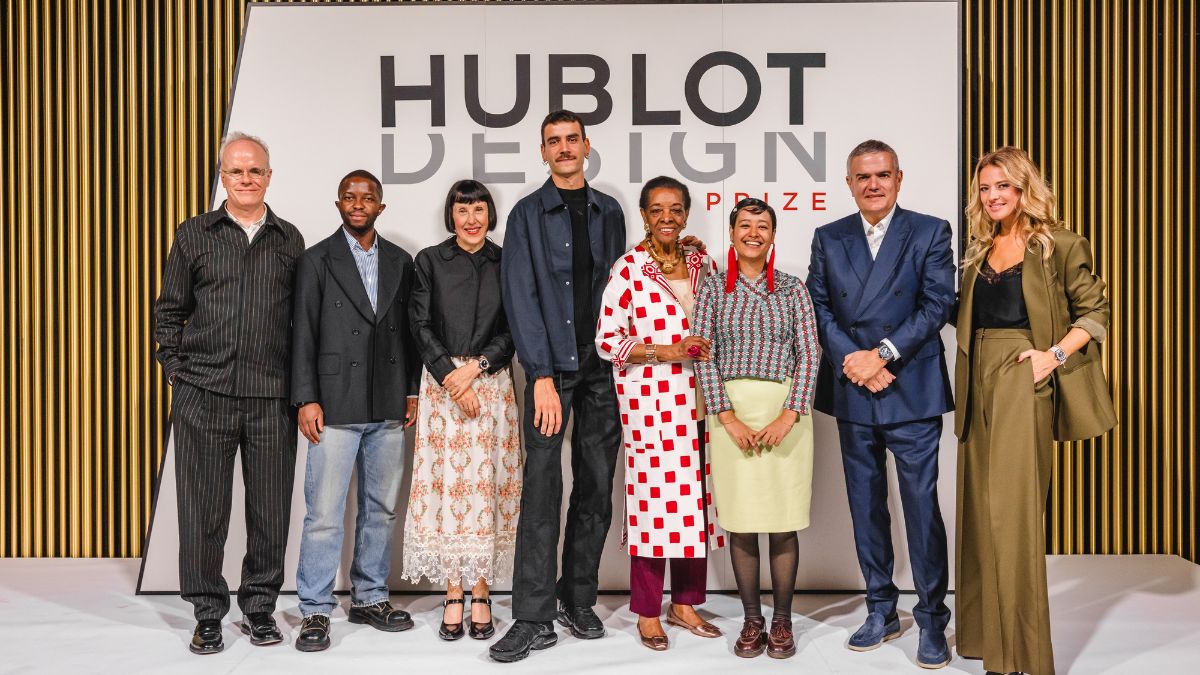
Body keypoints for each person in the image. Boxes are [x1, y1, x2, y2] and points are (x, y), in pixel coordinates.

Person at [955, 147, 1115, 675]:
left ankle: (1022, 652)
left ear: (1025, 189)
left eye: (1003, 185)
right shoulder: (978, 249)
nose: (992, 196)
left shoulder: (1060, 244)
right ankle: (983, 641)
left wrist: (1053, 356)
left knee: (1014, 511)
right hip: (976, 377)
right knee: (979, 510)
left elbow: (1096, 312)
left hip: (1022, 372)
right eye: (984, 188)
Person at [152, 132, 304, 654]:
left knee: (270, 511)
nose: (246, 179)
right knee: (203, 512)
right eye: (236, 171)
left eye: (255, 170)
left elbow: (300, 323)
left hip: (271, 398)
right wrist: (178, 373)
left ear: (269, 176)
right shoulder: (194, 234)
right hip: (204, 395)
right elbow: (169, 311)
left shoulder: (289, 239)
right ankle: (208, 612)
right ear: (222, 176)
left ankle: (259, 607)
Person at [806, 139, 955, 669]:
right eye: (863, 176)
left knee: (921, 508)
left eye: (882, 175)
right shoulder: (829, 236)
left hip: (910, 386)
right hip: (854, 388)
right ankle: (881, 609)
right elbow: (818, 305)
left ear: (898, 178)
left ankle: (932, 618)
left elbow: (938, 302)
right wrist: (854, 360)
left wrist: (882, 354)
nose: (873, 184)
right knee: (865, 507)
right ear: (849, 183)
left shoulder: (930, 231)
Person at [489, 110, 626, 663]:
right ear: (542, 151)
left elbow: (620, 286)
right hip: (553, 369)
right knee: (542, 490)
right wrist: (541, 375)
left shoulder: (609, 211)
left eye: (572, 139)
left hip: (603, 369)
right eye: (554, 141)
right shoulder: (526, 214)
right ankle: (532, 616)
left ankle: (578, 598)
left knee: (596, 487)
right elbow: (519, 297)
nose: (565, 148)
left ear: (587, 147)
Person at [289, 169, 420, 652]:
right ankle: (315, 608)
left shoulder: (401, 261)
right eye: (350, 196)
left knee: (381, 509)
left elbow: (410, 333)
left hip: (388, 401)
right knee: (324, 513)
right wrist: (306, 397)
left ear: (380, 206)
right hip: (333, 400)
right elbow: (302, 332)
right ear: (339, 203)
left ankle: (370, 597)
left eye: (367, 198)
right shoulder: (316, 259)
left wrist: (411, 391)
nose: (358, 204)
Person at [594, 176, 725, 652]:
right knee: (654, 506)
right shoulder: (629, 268)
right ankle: (648, 610)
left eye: (675, 209)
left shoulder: (702, 263)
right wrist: (666, 351)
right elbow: (607, 341)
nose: (666, 217)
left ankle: (685, 604)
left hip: (701, 399)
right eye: (656, 209)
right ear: (645, 216)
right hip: (651, 404)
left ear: (686, 214)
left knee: (694, 505)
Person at [692, 197, 819, 660]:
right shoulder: (712, 289)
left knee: (783, 524)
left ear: (772, 235)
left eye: (762, 226)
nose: (753, 233)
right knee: (742, 524)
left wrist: (790, 413)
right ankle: (751, 620)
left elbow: (810, 352)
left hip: (786, 416)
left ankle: (782, 621)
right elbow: (701, 352)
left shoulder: (792, 288)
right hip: (732, 419)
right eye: (744, 225)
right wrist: (726, 416)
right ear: (731, 233)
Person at [401, 179, 520, 642]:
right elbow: (419, 324)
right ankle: (454, 589)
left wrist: (476, 368)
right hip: (443, 388)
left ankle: (483, 588)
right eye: (462, 210)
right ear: (451, 216)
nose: (471, 220)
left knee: (486, 487)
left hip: (490, 385)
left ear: (491, 214)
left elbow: (514, 327)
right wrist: (451, 376)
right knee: (449, 488)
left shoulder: (507, 260)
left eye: (479, 210)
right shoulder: (430, 260)